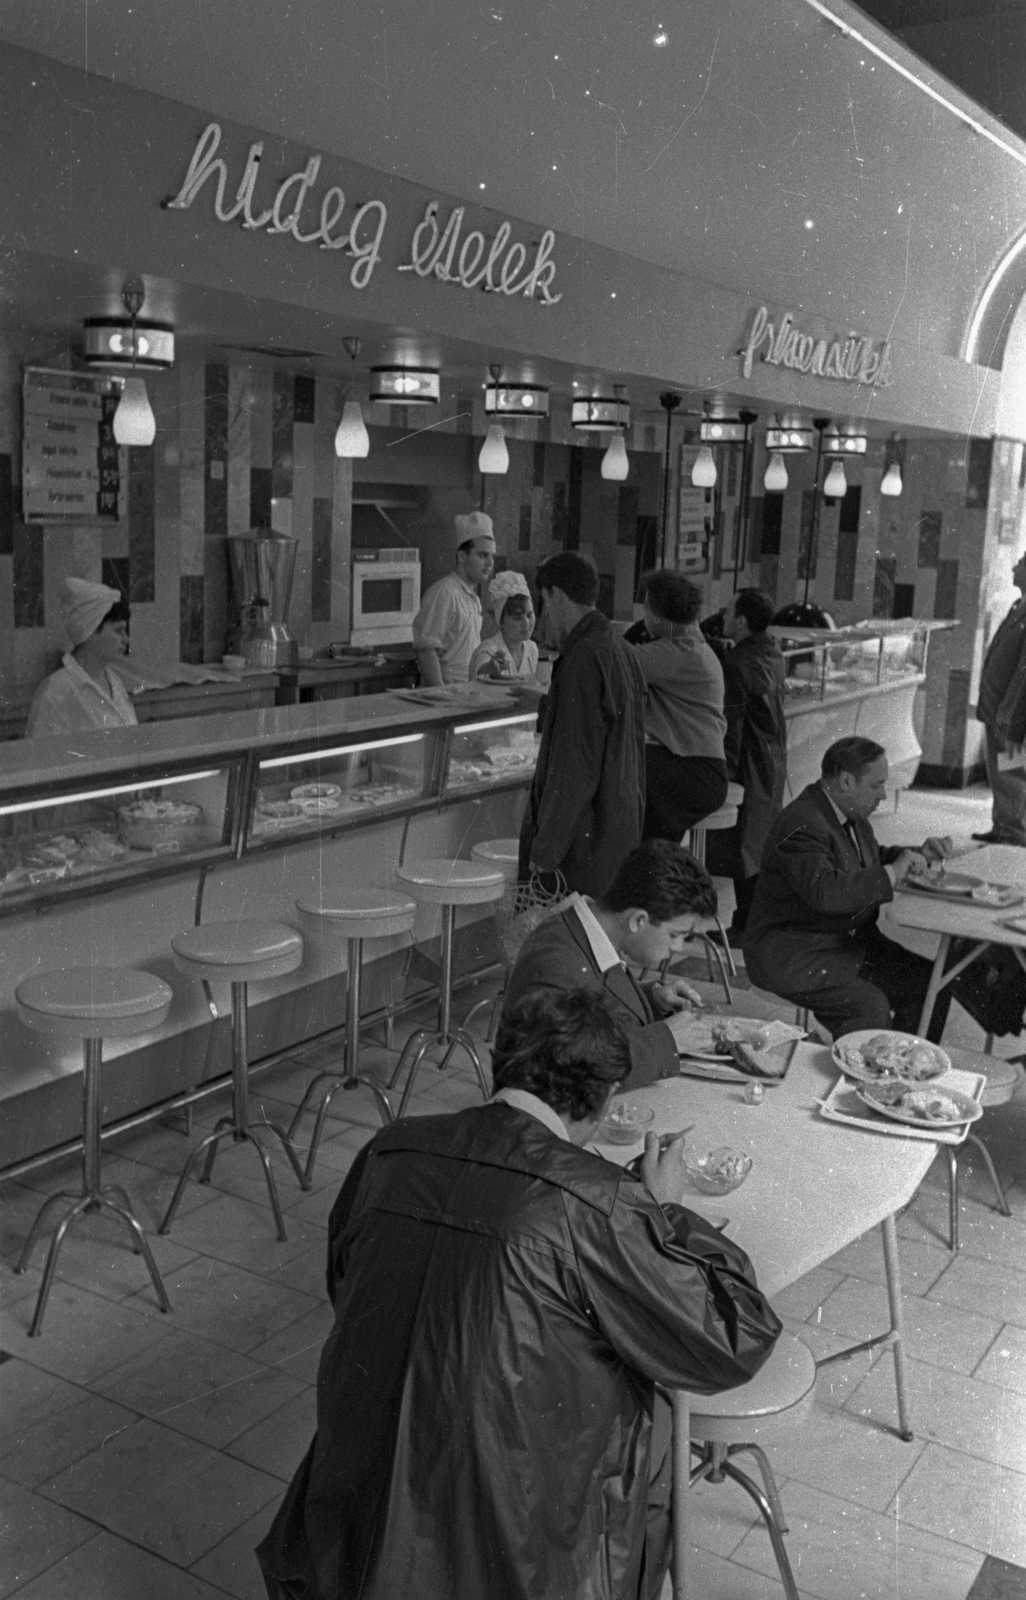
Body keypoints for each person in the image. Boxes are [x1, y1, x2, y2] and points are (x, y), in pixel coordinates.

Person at [256, 987, 781, 1600]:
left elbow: (343, 1281)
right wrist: (665, 1213)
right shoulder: (596, 1200)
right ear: (606, 1095)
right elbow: (735, 1337)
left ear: (502, 1063)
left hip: (350, 1531)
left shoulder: (389, 1148)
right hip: (513, 1549)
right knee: (657, 1417)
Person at [743, 736, 955, 1040]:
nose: (883, 795)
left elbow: (869, 858)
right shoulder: (802, 822)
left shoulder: (847, 814)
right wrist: (891, 874)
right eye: (876, 785)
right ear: (845, 781)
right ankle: (872, 1075)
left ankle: (903, 1072)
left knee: (934, 984)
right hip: (799, 954)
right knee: (870, 1008)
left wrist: (917, 855)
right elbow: (825, 891)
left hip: (845, 944)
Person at [503, 839, 717, 1086]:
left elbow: (586, 1001)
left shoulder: (587, 930)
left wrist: (650, 1000)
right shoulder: (555, 961)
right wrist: (666, 1040)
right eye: (675, 935)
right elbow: (568, 1070)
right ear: (638, 920)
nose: (678, 948)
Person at [519, 550, 647, 896]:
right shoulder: (620, 650)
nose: (545, 620)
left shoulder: (582, 660)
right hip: (618, 828)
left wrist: (545, 849)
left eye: (544, 605)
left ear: (557, 596)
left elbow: (574, 766)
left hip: (583, 840)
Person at [704, 588, 788, 941]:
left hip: (749, 762)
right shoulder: (770, 648)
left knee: (742, 845)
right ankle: (751, 918)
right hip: (771, 756)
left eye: (728, 612)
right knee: (757, 842)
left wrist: (723, 774)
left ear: (741, 621)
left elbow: (731, 728)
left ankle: (746, 923)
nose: (722, 617)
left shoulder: (736, 667)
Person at [622, 569, 728, 842]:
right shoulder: (691, 648)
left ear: (656, 615)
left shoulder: (678, 653)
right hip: (703, 771)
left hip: (694, 772)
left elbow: (613, 659)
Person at [26, 576, 137, 738]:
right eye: (118, 630)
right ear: (90, 632)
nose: (126, 639)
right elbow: (41, 758)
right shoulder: (55, 693)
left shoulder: (116, 684)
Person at [972, 548, 1026, 845]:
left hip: (1009, 715)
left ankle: (1014, 832)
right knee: (1000, 775)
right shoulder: (1019, 605)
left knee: (1011, 775)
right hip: (997, 712)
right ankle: (1002, 826)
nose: (1016, 567)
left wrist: (1011, 719)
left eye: (1022, 563)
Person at [411, 510, 496, 685]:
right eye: (482, 555)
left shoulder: (472, 599)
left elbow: (461, 659)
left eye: (491, 556)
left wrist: (488, 667)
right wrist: (442, 696)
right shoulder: (445, 593)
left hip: (464, 694)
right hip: (445, 699)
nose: (490, 563)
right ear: (462, 556)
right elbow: (426, 651)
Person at [468, 568, 539, 680]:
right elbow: (480, 668)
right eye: (517, 617)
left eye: (529, 615)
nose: (526, 623)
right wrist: (489, 668)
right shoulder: (488, 650)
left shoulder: (532, 649)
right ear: (501, 621)